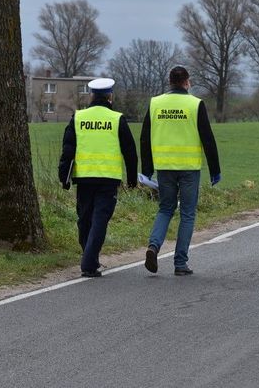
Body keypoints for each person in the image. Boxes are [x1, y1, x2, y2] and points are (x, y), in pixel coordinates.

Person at [140, 66, 221, 276]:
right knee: (187, 214)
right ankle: (180, 263)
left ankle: (154, 246)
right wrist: (215, 170)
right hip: (189, 168)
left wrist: (147, 169)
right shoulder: (195, 104)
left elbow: (145, 137)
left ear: (169, 82)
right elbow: (207, 138)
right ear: (187, 82)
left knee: (165, 209)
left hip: (164, 167)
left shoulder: (155, 103)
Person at [58, 78, 138, 278]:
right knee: (100, 220)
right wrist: (132, 180)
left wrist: (64, 177)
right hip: (108, 179)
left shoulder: (78, 117)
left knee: (84, 220)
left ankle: (89, 258)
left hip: (84, 178)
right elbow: (130, 151)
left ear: (92, 95)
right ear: (110, 96)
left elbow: (68, 149)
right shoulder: (117, 118)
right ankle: (89, 261)